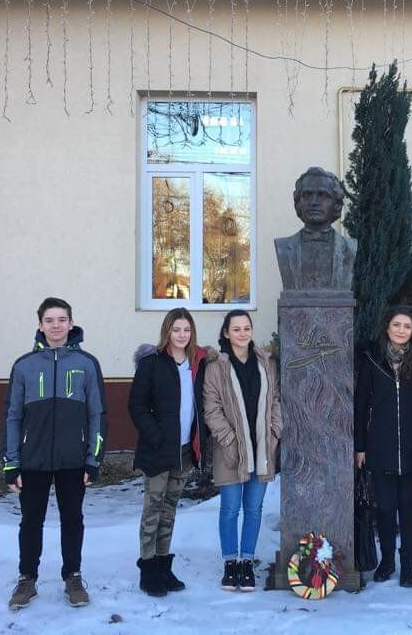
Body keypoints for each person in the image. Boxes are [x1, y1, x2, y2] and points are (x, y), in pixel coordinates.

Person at [1, 297, 108, 611]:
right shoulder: (24, 365)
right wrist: (11, 463)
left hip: (73, 459)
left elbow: (97, 414)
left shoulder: (87, 363)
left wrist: (94, 459)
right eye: (49, 320)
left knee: (72, 519)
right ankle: (27, 579)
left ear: (71, 323)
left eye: (62, 319)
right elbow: (12, 416)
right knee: (30, 521)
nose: (56, 325)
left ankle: (73, 577)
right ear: (40, 325)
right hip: (32, 459)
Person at [353, 305, 412, 587]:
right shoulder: (372, 360)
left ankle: (408, 565)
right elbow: (361, 405)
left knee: (408, 507)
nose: (401, 330)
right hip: (380, 447)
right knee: (386, 508)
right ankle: (387, 561)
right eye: (396, 325)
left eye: (407, 326)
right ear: (387, 327)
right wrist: (360, 446)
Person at [129, 307, 210, 597]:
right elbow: (137, 405)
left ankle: (164, 564)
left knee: (170, 508)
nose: (181, 335)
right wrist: (156, 435)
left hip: (185, 450)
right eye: (176, 329)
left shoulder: (197, 364)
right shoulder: (152, 363)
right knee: (153, 508)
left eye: (186, 330)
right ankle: (148, 568)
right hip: (158, 450)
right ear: (167, 331)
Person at [203, 310, 282, 592]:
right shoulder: (217, 366)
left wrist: (275, 431)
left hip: (261, 447)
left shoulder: (266, 362)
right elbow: (211, 407)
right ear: (226, 333)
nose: (242, 333)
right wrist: (228, 439)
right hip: (231, 450)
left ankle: (246, 562)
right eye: (236, 329)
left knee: (253, 509)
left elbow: (275, 399)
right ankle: (230, 563)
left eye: (246, 328)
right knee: (230, 509)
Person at [274, 167, 357, 292]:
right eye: (307, 195)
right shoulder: (283, 247)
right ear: (298, 204)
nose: (313, 202)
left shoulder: (350, 248)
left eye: (322, 195)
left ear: (337, 205)